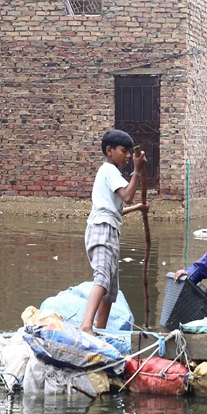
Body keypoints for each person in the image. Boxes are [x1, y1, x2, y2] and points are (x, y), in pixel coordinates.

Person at [79, 129, 147, 335]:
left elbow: (116, 208)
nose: (127, 156)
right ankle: (86, 326)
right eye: (123, 151)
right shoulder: (108, 170)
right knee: (102, 277)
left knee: (110, 288)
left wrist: (138, 208)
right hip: (102, 229)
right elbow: (127, 196)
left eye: (129, 152)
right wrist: (137, 170)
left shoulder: (111, 173)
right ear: (110, 151)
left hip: (110, 228)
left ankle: (101, 329)